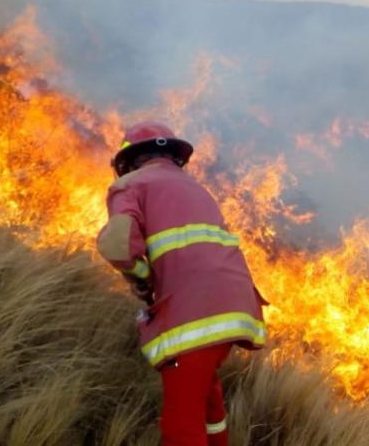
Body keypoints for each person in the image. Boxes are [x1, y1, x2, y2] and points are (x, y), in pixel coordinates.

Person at [96, 121, 267, 446]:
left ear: (130, 162)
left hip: (193, 311)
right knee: (207, 395)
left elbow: (117, 243)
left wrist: (142, 280)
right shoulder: (196, 188)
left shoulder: (132, 184)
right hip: (238, 304)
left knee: (180, 423)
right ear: (173, 157)